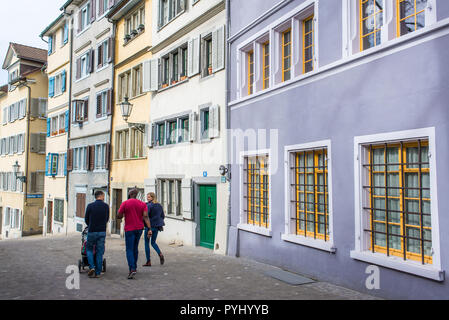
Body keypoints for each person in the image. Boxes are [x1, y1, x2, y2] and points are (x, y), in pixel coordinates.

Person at [117, 189, 152, 279]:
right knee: (135, 248)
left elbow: (119, 216)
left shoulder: (125, 203)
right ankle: (134, 267)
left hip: (129, 229)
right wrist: (149, 229)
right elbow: (145, 216)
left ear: (130, 194)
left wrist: (123, 213)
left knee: (129, 249)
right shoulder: (142, 204)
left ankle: (132, 268)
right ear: (136, 195)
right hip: (139, 228)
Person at [84, 190, 109, 278]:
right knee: (99, 251)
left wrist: (90, 225)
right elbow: (107, 219)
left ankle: (92, 267)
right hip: (102, 231)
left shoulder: (90, 206)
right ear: (101, 196)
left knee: (89, 249)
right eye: (103, 196)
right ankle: (98, 272)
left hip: (92, 231)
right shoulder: (106, 206)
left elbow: (86, 218)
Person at [143, 192, 165, 267]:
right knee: (153, 243)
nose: (147, 198)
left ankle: (148, 261)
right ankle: (160, 253)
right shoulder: (159, 205)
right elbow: (162, 216)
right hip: (157, 227)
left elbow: (146, 216)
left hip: (149, 227)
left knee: (146, 243)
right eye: (147, 197)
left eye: (149, 197)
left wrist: (147, 227)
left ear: (152, 197)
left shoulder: (149, 206)